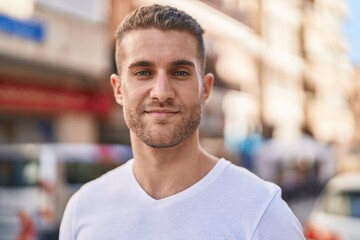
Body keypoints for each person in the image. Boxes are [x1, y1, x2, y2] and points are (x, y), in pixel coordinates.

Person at [59, 4, 305, 239]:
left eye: (180, 73)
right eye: (143, 73)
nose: (162, 92)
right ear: (118, 89)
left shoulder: (262, 212)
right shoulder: (83, 209)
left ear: (205, 88)